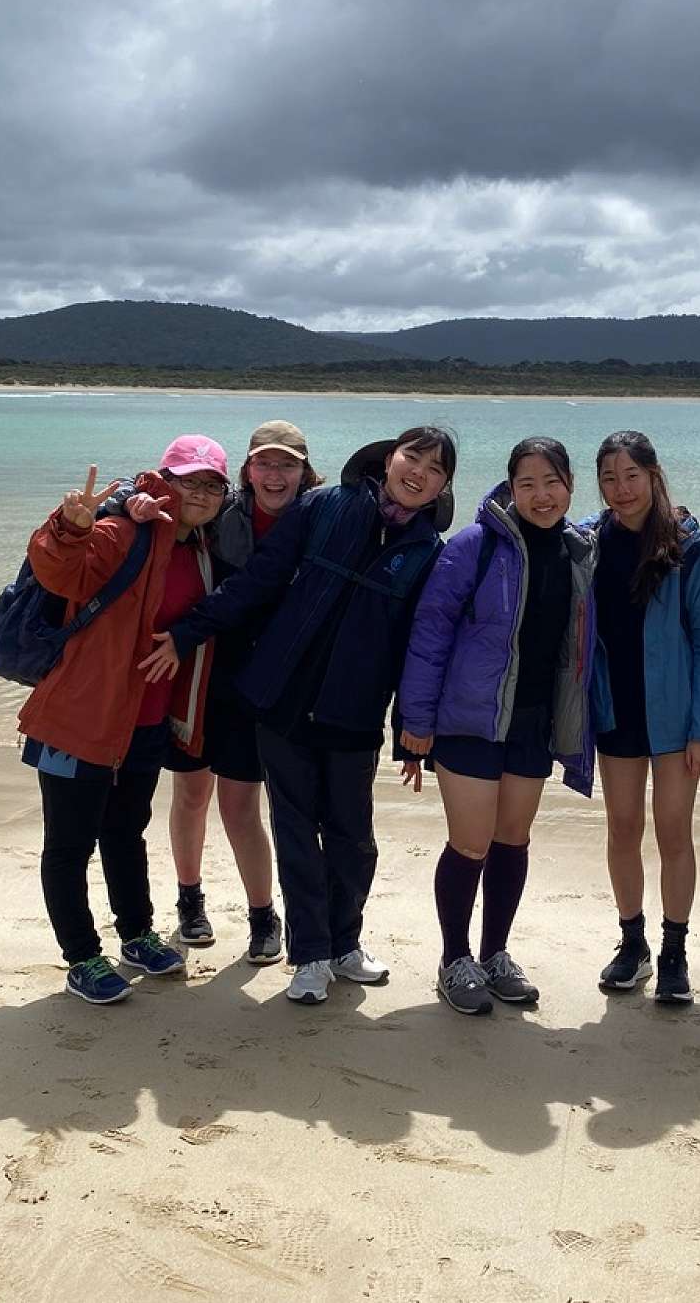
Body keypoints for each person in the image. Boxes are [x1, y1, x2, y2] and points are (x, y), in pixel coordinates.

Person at [144, 427, 456, 1005]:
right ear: (388, 458)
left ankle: (345, 945)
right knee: (295, 833)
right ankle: (310, 955)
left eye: (435, 468)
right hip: (283, 700)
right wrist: (187, 633)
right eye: (412, 456)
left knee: (353, 839)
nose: (419, 472)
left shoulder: (428, 552)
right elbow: (258, 581)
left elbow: (418, 646)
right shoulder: (325, 506)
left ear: (443, 486)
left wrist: (412, 729)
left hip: (354, 712)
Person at [13, 435, 235, 1004]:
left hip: (146, 720)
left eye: (212, 485)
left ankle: (136, 934)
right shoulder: (123, 531)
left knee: (125, 830)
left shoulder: (202, 549)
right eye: (189, 481)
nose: (201, 494)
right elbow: (60, 573)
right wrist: (69, 527)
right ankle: (82, 957)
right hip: (81, 715)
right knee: (69, 843)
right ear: (165, 480)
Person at [399, 437, 601, 1015]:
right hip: (470, 719)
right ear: (511, 489)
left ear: (570, 486)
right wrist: (416, 720)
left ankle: (494, 955)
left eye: (552, 482)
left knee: (513, 840)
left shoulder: (577, 550)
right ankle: (454, 959)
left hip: (532, 722)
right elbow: (431, 630)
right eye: (527, 484)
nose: (541, 495)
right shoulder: (476, 545)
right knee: (470, 843)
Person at [158, 420, 320, 965]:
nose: (275, 475)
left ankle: (262, 914)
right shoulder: (219, 516)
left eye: (287, 464)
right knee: (190, 794)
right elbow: (162, 507)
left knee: (239, 805)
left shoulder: (317, 517)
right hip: (200, 674)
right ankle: (190, 901)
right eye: (264, 463)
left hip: (263, 686)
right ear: (247, 472)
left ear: (304, 471)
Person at [585, 430, 700, 1005]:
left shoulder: (690, 549)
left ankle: (674, 951)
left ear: (653, 475)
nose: (622, 489)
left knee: (673, 831)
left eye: (632, 476)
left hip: (675, 718)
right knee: (622, 828)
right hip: (615, 710)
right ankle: (632, 943)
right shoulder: (590, 543)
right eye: (609, 478)